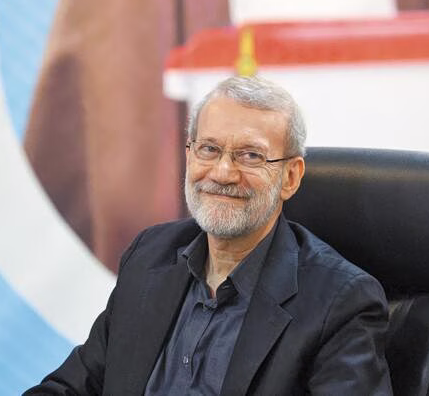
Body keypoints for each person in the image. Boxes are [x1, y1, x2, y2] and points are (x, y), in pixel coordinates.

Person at [25, 76, 393, 395]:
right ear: (190, 155)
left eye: (250, 156)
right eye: (209, 149)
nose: (222, 173)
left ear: (291, 177)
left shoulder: (340, 303)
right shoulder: (150, 256)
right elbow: (71, 386)